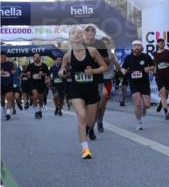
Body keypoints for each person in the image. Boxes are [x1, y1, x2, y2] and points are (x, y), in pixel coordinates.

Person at [60, 26, 109, 159]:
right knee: (81, 115)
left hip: (91, 89)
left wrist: (93, 71)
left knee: (90, 121)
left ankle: (87, 130)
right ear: (70, 37)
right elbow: (62, 71)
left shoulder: (92, 51)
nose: (76, 35)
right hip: (76, 90)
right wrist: (63, 73)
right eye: (72, 33)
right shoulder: (67, 55)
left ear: (83, 36)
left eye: (78, 33)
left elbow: (105, 66)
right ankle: (85, 149)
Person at [121, 40, 156, 130]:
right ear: (132, 48)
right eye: (134, 46)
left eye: (138, 46)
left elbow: (153, 66)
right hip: (134, 83)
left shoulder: (146, 57)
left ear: (141, 47)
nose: (136, 47)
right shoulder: (128, 58)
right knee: (137, 104)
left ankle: (144, 109)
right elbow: (123, 68)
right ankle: (139, 123)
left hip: (144, 83)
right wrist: (123, 71)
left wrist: (148, 69)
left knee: (147, 104)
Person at [24, 52, 49, 119]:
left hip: (41, 84)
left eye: (38, 56)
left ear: (40, 57)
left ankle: (40, 110)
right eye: (35, 56)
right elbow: (26, 73)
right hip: (33, 84)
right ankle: (36, 111)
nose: (37, 57)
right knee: (35, 96)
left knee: (41, 99)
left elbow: (47, 74)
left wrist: (42, 74)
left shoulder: (44, 65)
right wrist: (28, 74)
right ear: (33, 58)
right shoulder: (30, 65)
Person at [1, 52, 15, 121]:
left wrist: (12, 71)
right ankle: (4, 111)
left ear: (6, 57)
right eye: (1, 57)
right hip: (1, 84)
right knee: (2, 101)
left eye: (3, 56)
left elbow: (14, 71)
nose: (2, 58)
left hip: (9, 83)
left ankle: (8, 113)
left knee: (9, 99)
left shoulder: (10, 64)